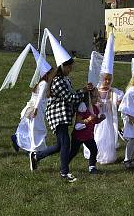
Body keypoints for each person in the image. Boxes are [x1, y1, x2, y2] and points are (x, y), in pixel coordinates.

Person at [30, 29, 95, 183]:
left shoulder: (66, 80)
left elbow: (73, 97)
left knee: (60, 145)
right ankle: (64, 172)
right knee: (65, 143)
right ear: (62, 67)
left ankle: (36, 156)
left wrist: (85, 93)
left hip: (64, 115)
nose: (71, 70)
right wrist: (83, 90)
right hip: (57, 115)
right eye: (69, 67)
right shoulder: (58, 81)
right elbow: (70, 97)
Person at [85, 33, 122, 164]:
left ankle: (107, 154)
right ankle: (96, 152)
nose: (107, 81)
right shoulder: (97, 90)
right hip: (99, 115)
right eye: (105, 79)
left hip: (108, 116)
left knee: (109, 135)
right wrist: (98, 104)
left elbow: (119, 98)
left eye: (109, 79)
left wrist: (116, 100)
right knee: (99, 135)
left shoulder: (113, 91)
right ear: (101, 78)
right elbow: (92, 101)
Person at [12, 46, 55, 153]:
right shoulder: (44, 84)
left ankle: (21, 141)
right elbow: (40, 97)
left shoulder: (40, 83)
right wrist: (36, 109)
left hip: (32, 107)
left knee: (30, 127)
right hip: (36, 108)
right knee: (38, 128)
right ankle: (37, 149)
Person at [69, 92, 105, 174]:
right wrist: (88, 119)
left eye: (97, 97)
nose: (97, 98)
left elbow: (94, 121)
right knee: (73, 152)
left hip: (88, 135)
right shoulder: (83, 106)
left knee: (94, 150)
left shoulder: (95, 108)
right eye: (95, 97)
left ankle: (92, 168)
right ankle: (64, 165)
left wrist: (100, 119)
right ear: (89, 98)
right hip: (79, 135)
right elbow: (78, 121)